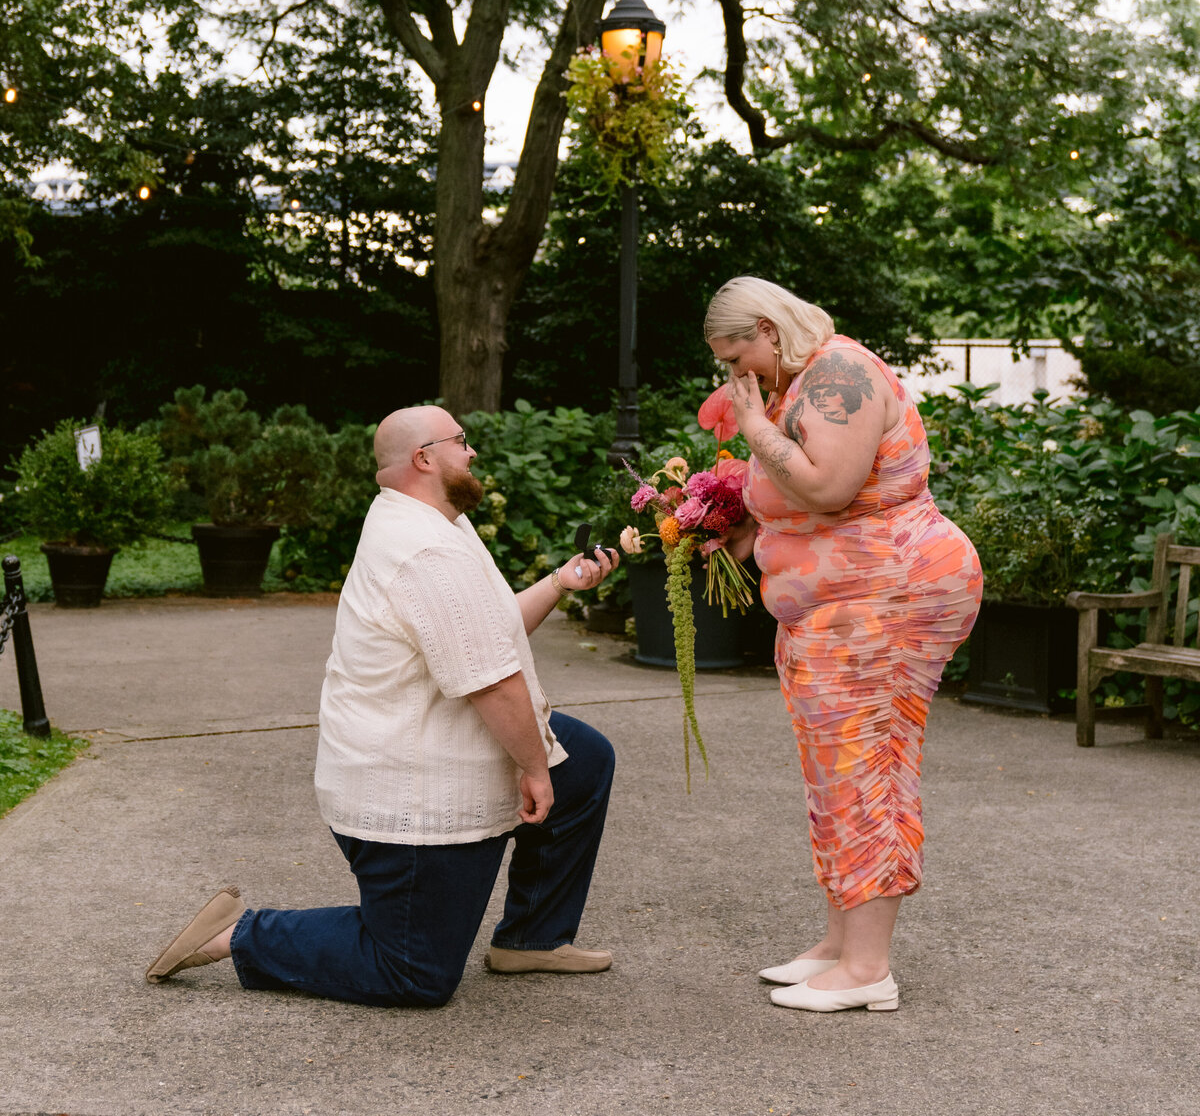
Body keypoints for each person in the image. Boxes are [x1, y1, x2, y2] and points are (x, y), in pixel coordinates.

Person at [145, 404, 619, 1006]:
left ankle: (531, 938)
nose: (473, 452)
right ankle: (241, 934)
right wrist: (532, 766)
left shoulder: (436, 522)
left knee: (582, 762)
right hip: (409, 789)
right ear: (425, 458)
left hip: (433, 748)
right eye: (462, 441)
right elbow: (492, 683)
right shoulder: (425, 550)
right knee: (414, 974)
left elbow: (490, 634)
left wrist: (558, 582)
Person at [701, 277, 982, 1014]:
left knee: (867, 764)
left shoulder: (839, 373)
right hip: (837, 608)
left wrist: (753, 425)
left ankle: (868, 969)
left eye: (741, 358)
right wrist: (734, 529)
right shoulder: (799, 383)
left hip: (890, 597)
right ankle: (838, 943)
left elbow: (827, 487)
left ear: (767, 328)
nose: (739, 378)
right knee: (833, 770)